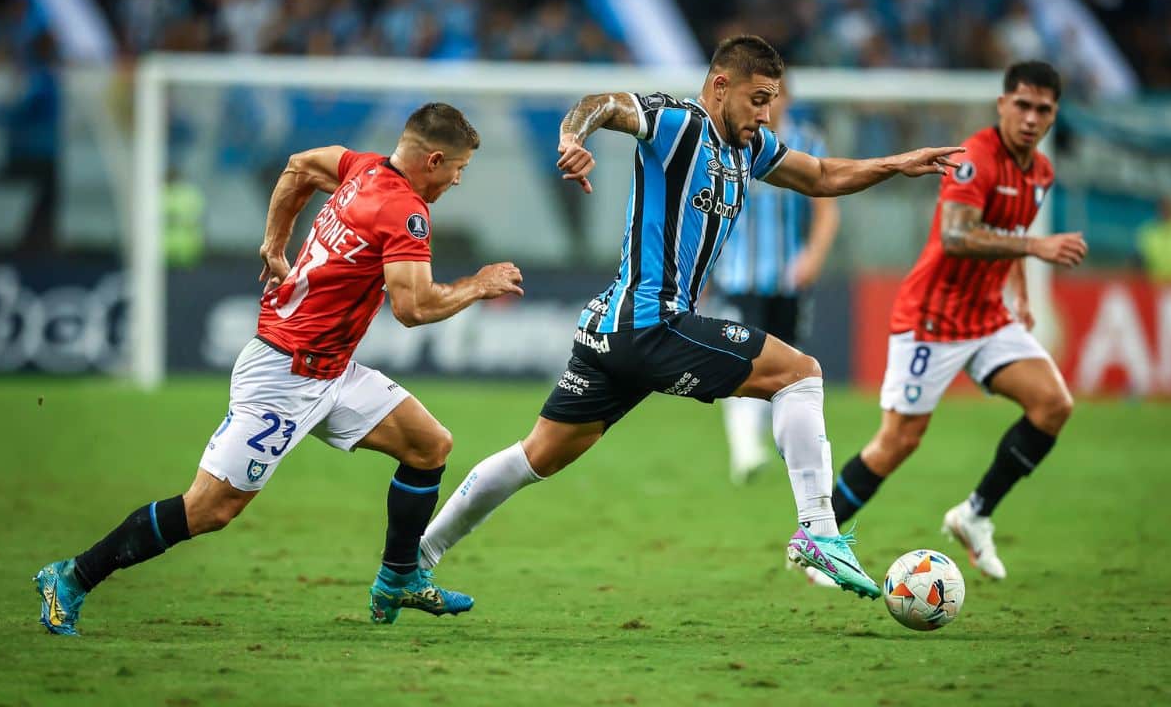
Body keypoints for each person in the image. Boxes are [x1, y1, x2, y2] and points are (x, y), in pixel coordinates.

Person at [415, 35, 964, 601]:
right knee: (800, 374)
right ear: (721, 86)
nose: (766, 114)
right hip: (651, 322)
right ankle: (820, 532)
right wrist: (571, 137)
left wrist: (897, 163)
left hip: (614, 330)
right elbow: (602, 103)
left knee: (537, 455)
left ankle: (414, 560)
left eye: (771, 101)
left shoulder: (750, 148)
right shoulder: (678, 123)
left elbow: (821, 175)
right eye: (757, 99)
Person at [33, 103, 525, 635]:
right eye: (459, 168)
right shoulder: (404, 211)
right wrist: (479, 284)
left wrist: (273, 244)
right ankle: (72, 576)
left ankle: (399, 577)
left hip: (331, 370)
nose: (457, 180)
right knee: (210, 509)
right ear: (433, 160)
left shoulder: (362, 168)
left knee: (429, 446)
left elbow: (299, 166)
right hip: (283, 376)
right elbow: (413, 308)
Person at [829, 61, 1088, 580]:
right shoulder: (975, 159)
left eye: (1043, 109)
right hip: (932, 317)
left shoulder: (1040, 170)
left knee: (1052, 405)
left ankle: (974, 514)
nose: (1031, 118)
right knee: (899, 441)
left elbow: (1006, 228)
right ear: (1002, 105)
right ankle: (817, 537)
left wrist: (1019, 288)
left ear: (1054, 114)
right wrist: (1035, 247)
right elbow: (956, 235)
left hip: (987, 316)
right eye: (1022, 105)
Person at [709, 75, 840, 484]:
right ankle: (746, 449)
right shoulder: (730, 141)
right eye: (762, 96)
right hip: (739, 274)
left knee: (787, 366)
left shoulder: (808, 142)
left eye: (776, 97)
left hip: (788, 276)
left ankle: (770, 445)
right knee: (741, 359)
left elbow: (826, 209)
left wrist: (814, 255)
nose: (769, 105)